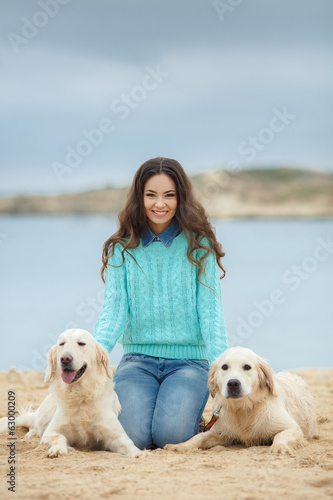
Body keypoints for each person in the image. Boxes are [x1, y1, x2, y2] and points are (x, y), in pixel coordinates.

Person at [94, 157, 228, 450]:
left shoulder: (199, 245)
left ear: (181, 198)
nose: (160, 204)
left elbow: (210, 312)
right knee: (134, 438)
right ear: (139, 197)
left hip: (189, 363)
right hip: (137, 362)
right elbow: (114, 313)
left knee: (171, 436)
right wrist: (92, 359)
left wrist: (222, 369)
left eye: (169, 195)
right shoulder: (122, 248)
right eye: (151, 195)